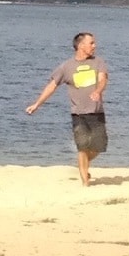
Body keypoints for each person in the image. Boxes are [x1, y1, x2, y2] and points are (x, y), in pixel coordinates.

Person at [26, 31, 109, 187]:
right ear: (80, 45)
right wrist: (37, 104)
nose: (94, 46)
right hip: (78, 114)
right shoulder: (66, 67)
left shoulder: (98, 62)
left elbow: (102, 79)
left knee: (98, 147)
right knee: (82, 147)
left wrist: (98, 91)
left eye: (94, 43)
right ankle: (85, 182)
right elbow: (52, 86)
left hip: (97, 112)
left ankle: (82, 164)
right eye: (91, 43)